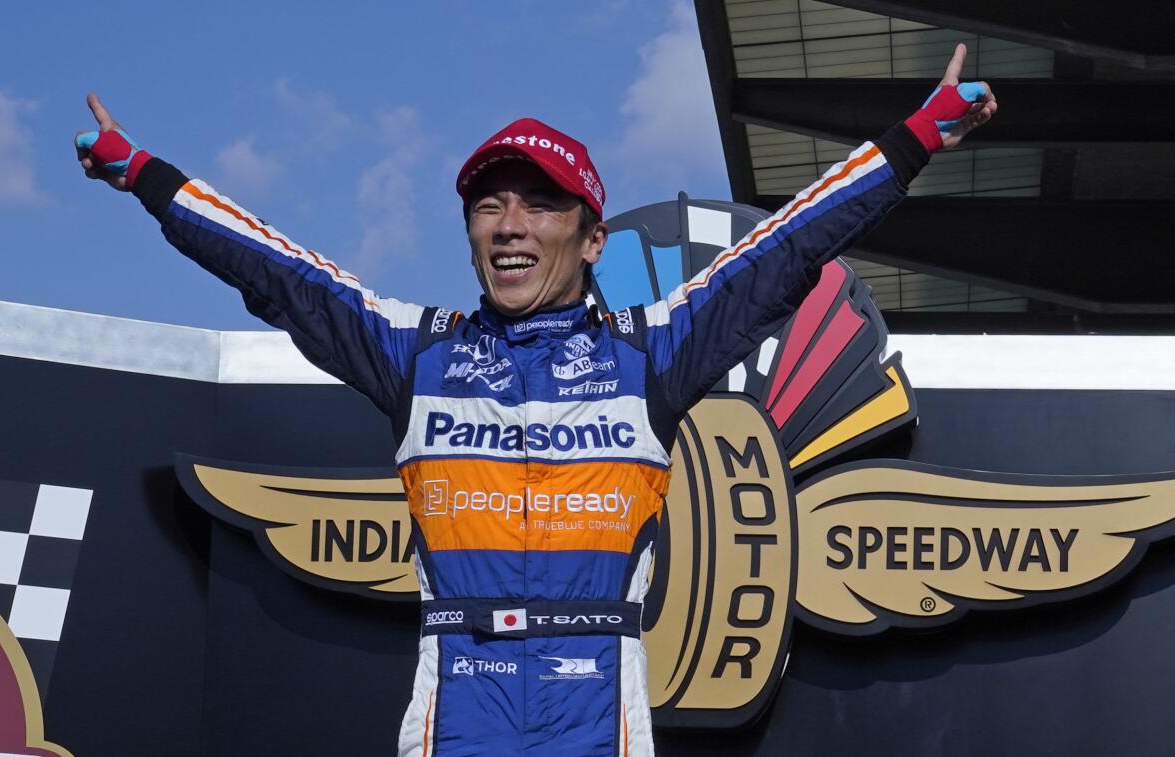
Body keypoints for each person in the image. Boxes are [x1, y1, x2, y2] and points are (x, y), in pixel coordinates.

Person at [75, 44, 994, 757]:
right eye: (488, 204)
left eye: (540, 205)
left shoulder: (652, 350)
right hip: (454, 709)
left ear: (593, 239)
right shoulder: (418, 351)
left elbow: (786, 251)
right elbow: (279, 273)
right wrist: (144, 173)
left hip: (597, 711)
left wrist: (913, 140)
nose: (510, 225)